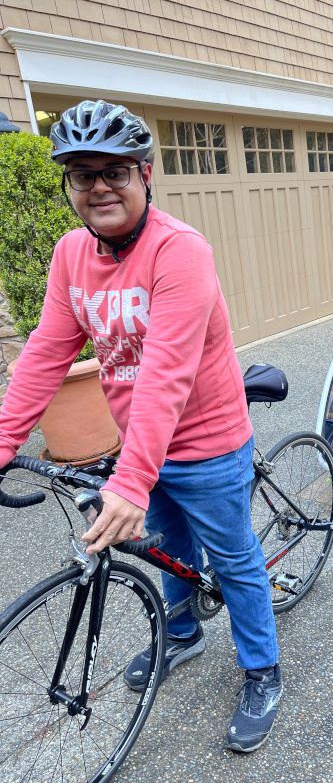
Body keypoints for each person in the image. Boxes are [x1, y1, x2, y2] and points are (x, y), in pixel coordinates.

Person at [0, 100, 281, 753]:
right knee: (170, 551)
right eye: (82, 174)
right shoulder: (72, 254)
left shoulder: (180, 251)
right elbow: (47, 351)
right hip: (145, 448)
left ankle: (263, 671)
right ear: (70, 187)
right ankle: (181, 632)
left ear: (145, 174)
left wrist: (129, 479)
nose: (98, 186)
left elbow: (166, 370)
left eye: (114, 172)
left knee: (235, 562)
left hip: (207, 443)